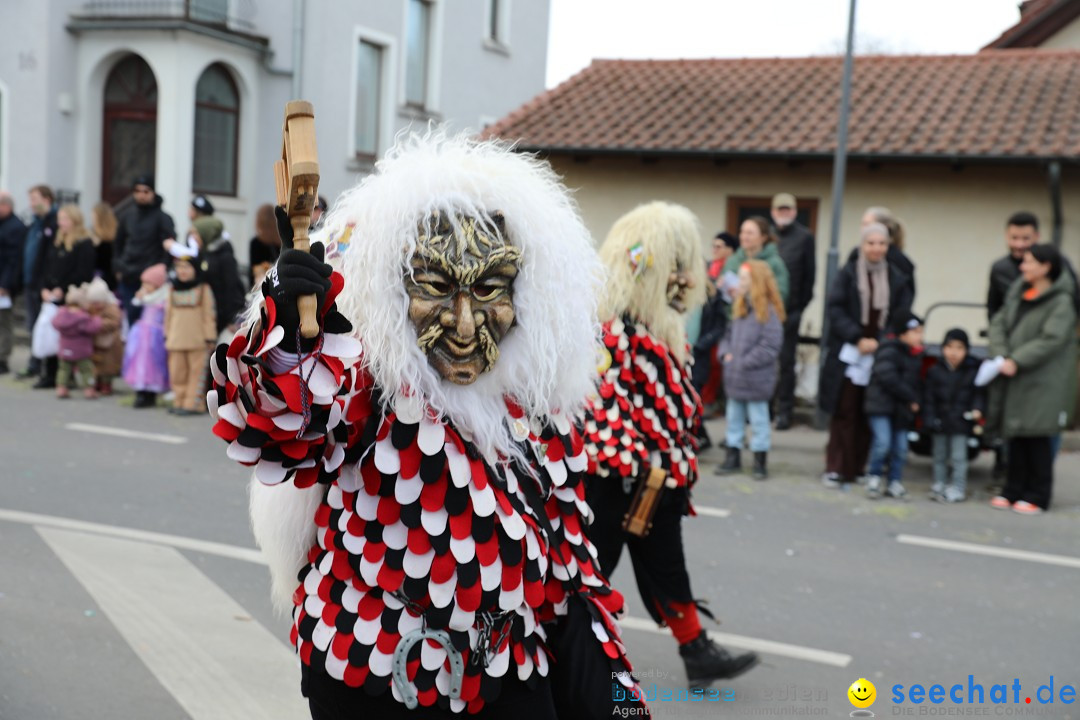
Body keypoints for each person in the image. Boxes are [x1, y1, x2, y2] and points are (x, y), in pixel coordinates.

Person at [211, 133, 647, 719]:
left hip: (508, 672)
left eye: (491, 289)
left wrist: (621, 701)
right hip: (371, 671)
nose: (465, 326)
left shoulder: (538, 405)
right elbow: (279, 426)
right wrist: (288, 335)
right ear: (394, 292)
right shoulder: (367, 384)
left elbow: (572, 574)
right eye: (438, 288)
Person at [581, 201, 759, 691]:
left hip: (653, 477)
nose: (686, 278)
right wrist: (633, 463)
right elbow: (605, 406)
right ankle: (570, 652)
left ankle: (695, 649)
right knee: (593, 569)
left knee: (661, 561)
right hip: (620, 476)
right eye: (677, 266)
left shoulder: (656, 332)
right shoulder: (617, 333)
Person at [819, 223, 914, 487]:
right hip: (851, 353)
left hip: (880, 355)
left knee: (869, 410)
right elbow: (835, 308)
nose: (876, 248)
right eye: (871, 243)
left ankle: (859, 467)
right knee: (845, 410)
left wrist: (882, 343)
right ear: (863, 245)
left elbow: (900, 315)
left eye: (881, 243)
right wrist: (856, 337)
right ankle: (837, 466)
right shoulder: (848, 273)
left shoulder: (896, 277)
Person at [987, 244, 1077, 515]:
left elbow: (1051, 340)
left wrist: (1018, 359)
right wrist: (1002, 354)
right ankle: (1012, 490)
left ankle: (1038, 495)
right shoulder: (1018, 292)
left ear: (1045, 267)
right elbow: (998, 323)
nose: (1023, 267)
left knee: (1036, 437)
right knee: (1016, 436)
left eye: (1028, 262)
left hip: (1042, 379)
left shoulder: (1061, 301)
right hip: (1014, 373)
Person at [716, 260, 785, 479]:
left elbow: (770, 346)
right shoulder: (740, 309)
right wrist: (726, 354)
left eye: (744, 279)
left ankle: (759, 460)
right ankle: (732, 456)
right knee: (733, 418)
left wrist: (744, 362)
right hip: (735, 377)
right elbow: (728, 337)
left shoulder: (769, 313)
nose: (739, 283)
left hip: (756, 379)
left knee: (759, 421)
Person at [863, 312, 924, 500]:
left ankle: (894, 481)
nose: (919, 336)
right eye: (915, 331)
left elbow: (917, 382)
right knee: (883, 443)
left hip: (901, 411)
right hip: (881, 406)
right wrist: (911, 398)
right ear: (902, 334)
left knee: (901, 448)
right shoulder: (888, 350)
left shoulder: (915, 356)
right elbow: (889, 378)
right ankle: (873, 477)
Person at [35, 204, 97, 389]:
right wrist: (44, 288)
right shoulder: (57, 239)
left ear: (75, 220)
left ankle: (67, 375)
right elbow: (46, 267)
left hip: (70, 297)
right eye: (59, 219)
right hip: (51, 296)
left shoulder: (84, 243)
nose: (60, 223)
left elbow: (84, 272)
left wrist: (62, 288)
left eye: (65, 219)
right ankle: (49, 373)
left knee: (68, 338)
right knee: (49, 334)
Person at [770, 193, 815, 430]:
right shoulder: (767, 234)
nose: (784, 213)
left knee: (786, 363)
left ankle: (784, 411)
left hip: (790, 311)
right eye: (780, 209)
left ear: (794, 211)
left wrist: (798, 308)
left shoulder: (805, 237)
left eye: (788, 209)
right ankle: (764, 408)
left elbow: (810, 276)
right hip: (764, 311)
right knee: (765, 361)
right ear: (773, 211)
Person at [923, 328, 983, 503]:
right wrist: (929, 418)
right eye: (949, 347)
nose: (954, 352)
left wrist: (977, 410)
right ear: (943, 348)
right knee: (939, 455)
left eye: (959, 348)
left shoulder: (971, 371)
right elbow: (929, 398)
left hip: (961, 421)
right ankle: (939, 483)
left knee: (959, 458)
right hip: (940, 420)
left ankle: (958, 487)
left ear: (966, 350)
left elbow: (978, 395)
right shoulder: (935, 371)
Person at [691, 231, 739, 438]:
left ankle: (699, 434)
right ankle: (698, 434)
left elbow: (719, 324)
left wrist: (702, 344)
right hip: (685, 354)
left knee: (696, 395)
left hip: (700, 353)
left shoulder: (714, 295)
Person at [113, 175, 176, 325]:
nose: (141, 195)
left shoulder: (163, 218)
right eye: (138, 191)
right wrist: (118, 266)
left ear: (153, 192)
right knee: (131, 321)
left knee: (149, 324)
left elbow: (169, 248)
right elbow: (118, 243)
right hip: (128, 276)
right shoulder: (127, 215)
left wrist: (160, 271)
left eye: (146, 191)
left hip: (150, 281)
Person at [164, 247, 216, 416]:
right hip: (176, 339)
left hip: (197, 340)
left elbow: (209, 315)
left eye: (187, 267)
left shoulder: (203, 289)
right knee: (177, 372)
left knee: (196, 372)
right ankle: (179, 401)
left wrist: (210, 337)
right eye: (179, 267)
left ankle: (193, 403)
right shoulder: (173, 289)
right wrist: (167, 333)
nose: (182, 271)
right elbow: (168, 314)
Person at [186, 194, 245, 336]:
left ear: (206, 234)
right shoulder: (204, 253)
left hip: (223, 314)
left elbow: (231, 288)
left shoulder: (225, 256)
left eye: (197, 235)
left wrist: (231, 318)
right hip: (209, 311)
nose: (194, 239)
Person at [19, 185, 58, 379]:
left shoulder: (53, 222)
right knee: (32, 324)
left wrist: (45, 283)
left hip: (43, 283)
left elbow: (49, 257)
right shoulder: (35, 223)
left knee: (41, 324)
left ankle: (43, 366)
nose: (31, 204)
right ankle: (35, 363)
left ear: (47, 199)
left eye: (34, 199)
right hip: (30, 280)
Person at [122, 263, 170, 409]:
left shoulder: (163, 298)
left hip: (155, 335)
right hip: (141, 334)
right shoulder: (143, 298)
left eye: (148, 283)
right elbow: (132, 312)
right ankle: (140, 391)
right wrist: (138, 300)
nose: (144, 286)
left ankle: (151, 393)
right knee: (139, 363)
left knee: (153, 364)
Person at [50, 282, 103, 399]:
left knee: (63, 369)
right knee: (86, 370)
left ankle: (61, 388)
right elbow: (93, 328)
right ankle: (89, 389)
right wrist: (97, 319)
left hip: (65, 348)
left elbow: (54, 323)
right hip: (81, 350)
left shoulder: (62, 314)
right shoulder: (83, 317)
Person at [722, 217, 789, 308]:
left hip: (761, 318)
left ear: (763, 237)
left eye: (749, 233)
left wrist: (747, 295)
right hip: (732, 318)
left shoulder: (775, 263)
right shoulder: (732, 260)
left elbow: (780, 295)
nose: (744, 237)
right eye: (742, 232)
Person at [857, 207, 916, 298]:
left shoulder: (898, 261)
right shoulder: (856, 257)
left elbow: (904, 297)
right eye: (863, 224)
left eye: (867, 224)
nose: (863, 229)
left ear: (885, 228)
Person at [0, 191, 26, 375]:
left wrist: (5, 285)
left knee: (4, 322)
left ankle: (2, 358)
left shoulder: (15, 227)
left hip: (4, 285)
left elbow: (13, 260)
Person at [85, 276, 124, 395]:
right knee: (96, 364)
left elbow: (115, 321)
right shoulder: (90, 308)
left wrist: (99, 323)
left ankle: (106, 384)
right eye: (93, 302)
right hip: (96, 341)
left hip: (110, 342)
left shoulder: (111, 307)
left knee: (108, 365)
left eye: (98, 302)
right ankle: (97, 381)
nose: (95, 305)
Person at [248, 203, 281, 287]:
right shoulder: (281, 241)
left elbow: (254, 269)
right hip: (278, 283)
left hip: (261, 285)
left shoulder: (256, 242)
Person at [90, 202, 119, 290]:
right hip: (97, 278)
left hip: (105, 279)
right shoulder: (93, 234)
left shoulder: (111, 239)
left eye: (94, 216)